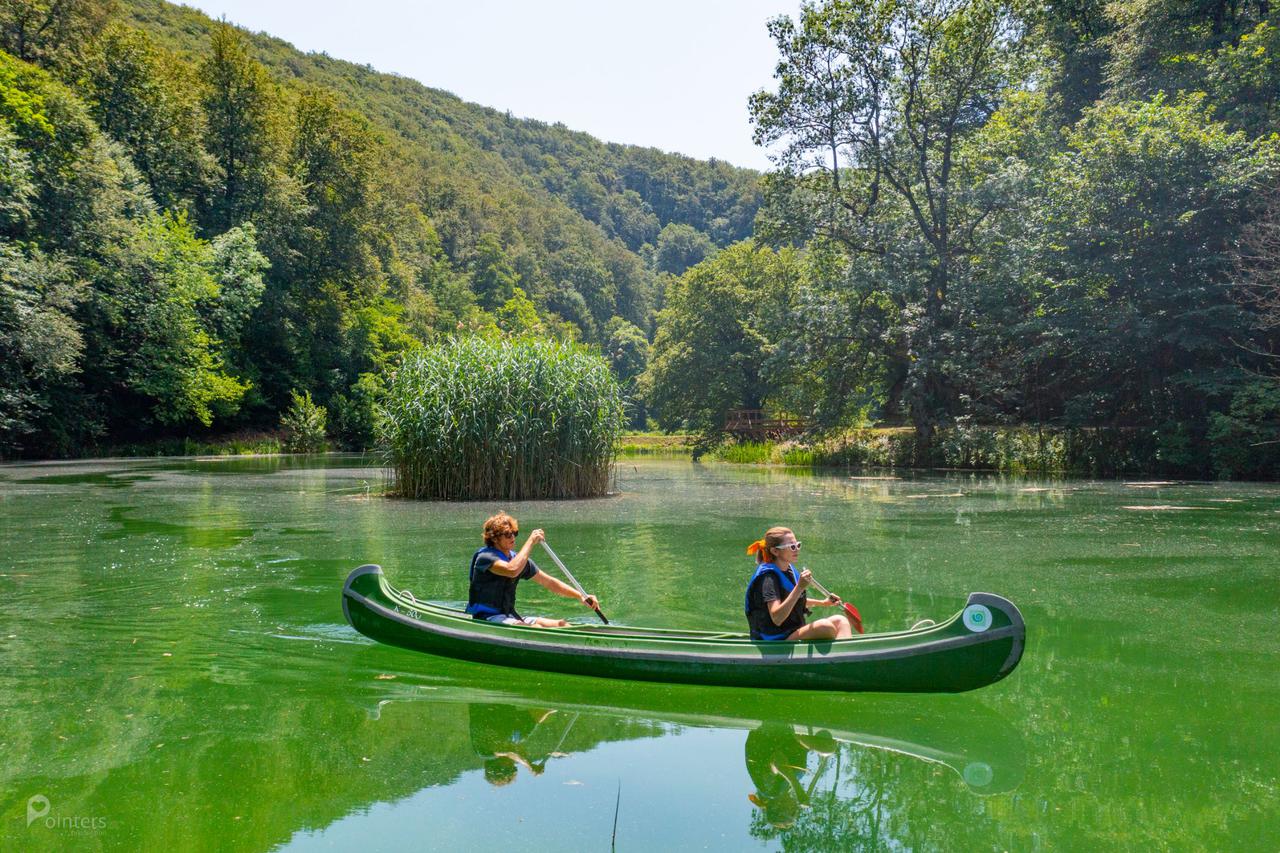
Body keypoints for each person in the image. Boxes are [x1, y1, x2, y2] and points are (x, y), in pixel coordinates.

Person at [466, 512, 600, 627]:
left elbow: (550, 583)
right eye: (507, 534)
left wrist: (581, 596)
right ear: (494, 538)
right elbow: (511, 570)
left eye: (514, 533)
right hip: (487, 618)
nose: (512, 537)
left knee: (562, 624)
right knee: (535, 628)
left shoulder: (518, 560)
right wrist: (531, 541)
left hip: (509, 616)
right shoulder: (486, 557)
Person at [744, 527, 853, 641]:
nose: (796, 549)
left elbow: (793, 601)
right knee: (825, 626)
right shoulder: (768, 579)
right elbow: (777, 617)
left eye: (797, 545)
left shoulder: (788, 570)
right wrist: (799, 587)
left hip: (792, 632)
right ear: (775, 551)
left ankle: (847, 655)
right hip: (775, 639)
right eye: (792, 547)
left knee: (841, 621)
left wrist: (823, 603)